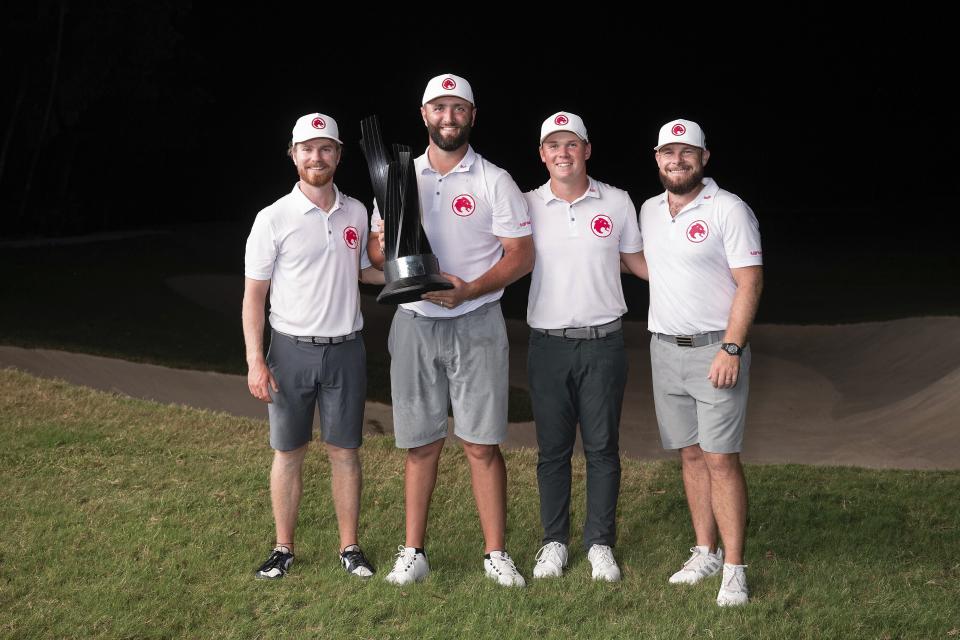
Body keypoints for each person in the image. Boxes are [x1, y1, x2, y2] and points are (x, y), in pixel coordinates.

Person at [367, 73, 534, 587]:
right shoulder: (399, 175)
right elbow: (376, 250)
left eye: (458, 108)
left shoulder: (494, 180)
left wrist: (471, 290)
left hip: (477, 322)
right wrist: (398, 260)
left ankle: (496, 553)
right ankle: (414, 552)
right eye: (439, 108)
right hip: (416, 323)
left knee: (481, 444)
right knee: (421, 444)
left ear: (472, 116)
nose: (448, 117)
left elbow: (521, 255)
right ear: (425, 116)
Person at [243, 112, 384, 580]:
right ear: (293, 154)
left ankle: (350, 548)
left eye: (325, 148)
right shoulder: (273, 218)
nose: (316, 156)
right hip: (289, 350)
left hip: (345, 349)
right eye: (307, 148)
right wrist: (255, 361)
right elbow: (254, 295)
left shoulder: (358, 212)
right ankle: (283, 548)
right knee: (289, 452)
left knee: (345, 451)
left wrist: (411, 274)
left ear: (338, 155)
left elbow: (364, 270)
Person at [638, 118, 763, 606]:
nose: (677, 160)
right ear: (657, 158)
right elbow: (649, 265)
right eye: (669, 153)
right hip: (664, 348)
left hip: (717, 349)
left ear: (703, 158)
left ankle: (734, 567)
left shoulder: (728, 208)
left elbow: (750, 281)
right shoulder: (649, 210)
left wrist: (732, 346)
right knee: (689, 454)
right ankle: (704, 550)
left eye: (687, 152)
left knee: (720, 458)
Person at [523, 111, 646, 582]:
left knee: (602, 448)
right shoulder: (527, 204)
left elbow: (637, 262)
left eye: (571, 144)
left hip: (604, 343)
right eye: (553, 145)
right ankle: (554, 542)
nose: (562, 152)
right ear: (542, 154)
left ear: (587, 150)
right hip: (548, 345)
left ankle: (599, 543)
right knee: (552, 451)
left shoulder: (615, 202)